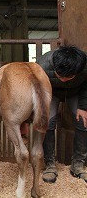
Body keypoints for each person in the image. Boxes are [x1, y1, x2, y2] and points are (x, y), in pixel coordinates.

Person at [36, 45, 87, 183]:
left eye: (69, 76)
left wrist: (83, 107)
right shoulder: (42, 65)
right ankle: (50, 165)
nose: (64, 79)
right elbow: (37, 89)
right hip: (50, 92)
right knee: (47, 123)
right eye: (60, 76)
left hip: (76, 92)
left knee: (83, 121)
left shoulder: (84, 65)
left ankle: (78, 165)